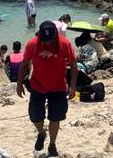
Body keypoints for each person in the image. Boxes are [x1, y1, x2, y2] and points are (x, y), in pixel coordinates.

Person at [17, 21, 77, 157]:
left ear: (56, 34)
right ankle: (41, 133)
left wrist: (73, 86)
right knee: (35, 116)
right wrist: (19, 83)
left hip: (58, 87)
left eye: (50, 40)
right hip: (37, 86)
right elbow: (25, 63)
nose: (48, 43)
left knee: (55, 118)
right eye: (45, 40)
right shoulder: (33, 44)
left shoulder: (64, 43)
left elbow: (73, 64)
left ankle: (52, 144)